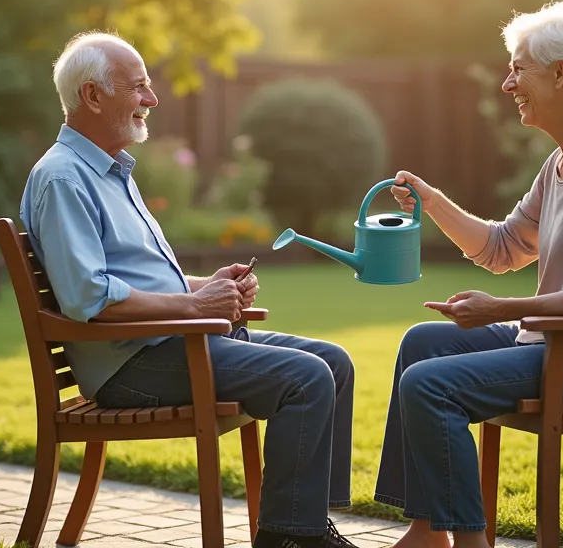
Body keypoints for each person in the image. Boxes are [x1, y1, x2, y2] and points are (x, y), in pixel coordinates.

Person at [19, 31, 360, 548]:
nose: (151, 100)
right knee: (305, 377)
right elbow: (86, 297)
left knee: (332, 363)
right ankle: (289, 538)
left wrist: (205, 286)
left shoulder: (111, 172)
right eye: (137, 88)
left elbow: (136, 280)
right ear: (92, 96)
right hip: (131, 363)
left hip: (170, 343)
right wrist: (193, 304)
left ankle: (306, 524)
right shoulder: (65, 178)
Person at [372, 0, 563, 548]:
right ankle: (427, 532)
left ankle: (469, 543)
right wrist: (433, 202)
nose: (508, 84)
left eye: (519, 68)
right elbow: (504, 248)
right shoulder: (562, 161)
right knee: (422, 346)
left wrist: (502, 309)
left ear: (560, 73)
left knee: (429, 385)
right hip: (560, 344)